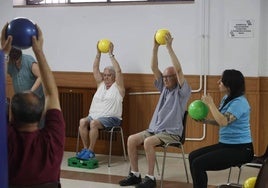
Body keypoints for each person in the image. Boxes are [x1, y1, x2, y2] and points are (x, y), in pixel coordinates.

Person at [119, 32, 191, 188]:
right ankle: (135, 175)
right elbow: (153, 67)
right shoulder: (163, 88)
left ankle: (150, 179)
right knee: (131, 139)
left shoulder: (181, 92)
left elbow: (178, 70)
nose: (164, 79)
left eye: (168, 77)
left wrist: (169, 48)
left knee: (148, 142)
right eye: (163, 77)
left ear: (175, 78)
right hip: (155, 129)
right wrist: (155, 47)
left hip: (171, 132)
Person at [1, 23, 65, 187]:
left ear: (11, 116)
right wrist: (39, 50)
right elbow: (51, 94)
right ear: (41, 113)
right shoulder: (53, 140)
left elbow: (49, 94)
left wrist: (3, 53)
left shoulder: (6, 140)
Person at [188, 69, 254, 188]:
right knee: (192, 156)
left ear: (229, 85)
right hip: (226, 145)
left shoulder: (240, 102)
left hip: (241, 149)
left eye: (222, 80)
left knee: (198, 164)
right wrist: (206, 121)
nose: (218, 82)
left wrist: (210, 104)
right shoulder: (226, 98)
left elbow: (223, 121)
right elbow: (222, 120)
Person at [76, 41, 125, 160]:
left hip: (111, 119)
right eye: (105, 75)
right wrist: (98, 53)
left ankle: (91, 151)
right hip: (94, 116)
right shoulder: (100, 84)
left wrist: (110, 55)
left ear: (114, 77)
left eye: (109, 75)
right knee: (82, 122)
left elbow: (118, 71)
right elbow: (95, 68)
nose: (106, 77)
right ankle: (86, 149)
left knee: (93, 123)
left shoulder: (118, 88)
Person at [7, 44, 45, 128]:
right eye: (14, 61)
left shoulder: (28, 60)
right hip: (22, 101)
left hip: (35, 99)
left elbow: (41, 76)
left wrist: (30, 92)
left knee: (38, 125)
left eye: (18, 60)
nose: (16, 62)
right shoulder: (10, 63)